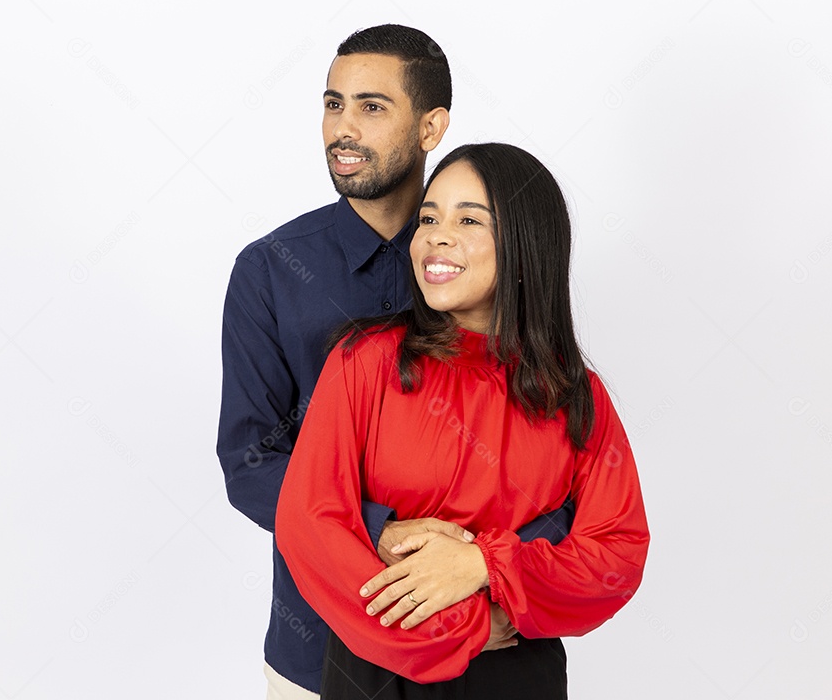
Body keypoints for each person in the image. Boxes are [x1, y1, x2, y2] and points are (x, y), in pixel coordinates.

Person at [217, 27, 574, 699]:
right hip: (316, 647)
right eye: (332, 104)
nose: (342, 128)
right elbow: (250, 463)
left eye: (372, 107)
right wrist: (380, 531)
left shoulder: (490, 261)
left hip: (491, 650)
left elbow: (559, 457)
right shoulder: (269, 273)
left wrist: (489, 576)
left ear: (431, 126)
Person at [276, 143, 650, 699]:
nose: (435, 235)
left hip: (517, 676)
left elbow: (616, 553)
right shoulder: (366, 361)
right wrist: (473, 627)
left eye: (468, 219)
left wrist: (483, 564)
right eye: (428, 217)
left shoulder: (575, 396)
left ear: (526, 244)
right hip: (381, 670)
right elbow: (311, 525)